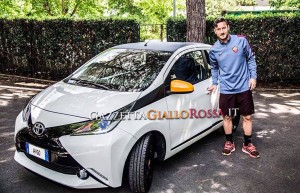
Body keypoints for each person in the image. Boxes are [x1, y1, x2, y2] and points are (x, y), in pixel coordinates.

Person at [207, 18, 260, 158]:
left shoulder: (241, 41)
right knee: (227, 116)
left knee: (247, 117)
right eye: (218, 29)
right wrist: (214, 82)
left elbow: (251, 58)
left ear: (228, 27)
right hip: (226, 89)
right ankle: (229, 143)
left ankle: (247, 144)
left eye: (223, 28)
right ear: (215, 31)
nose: (221, 31)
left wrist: (253, 76)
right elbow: (214, 68)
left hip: (243, 87)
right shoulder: (213, 50)